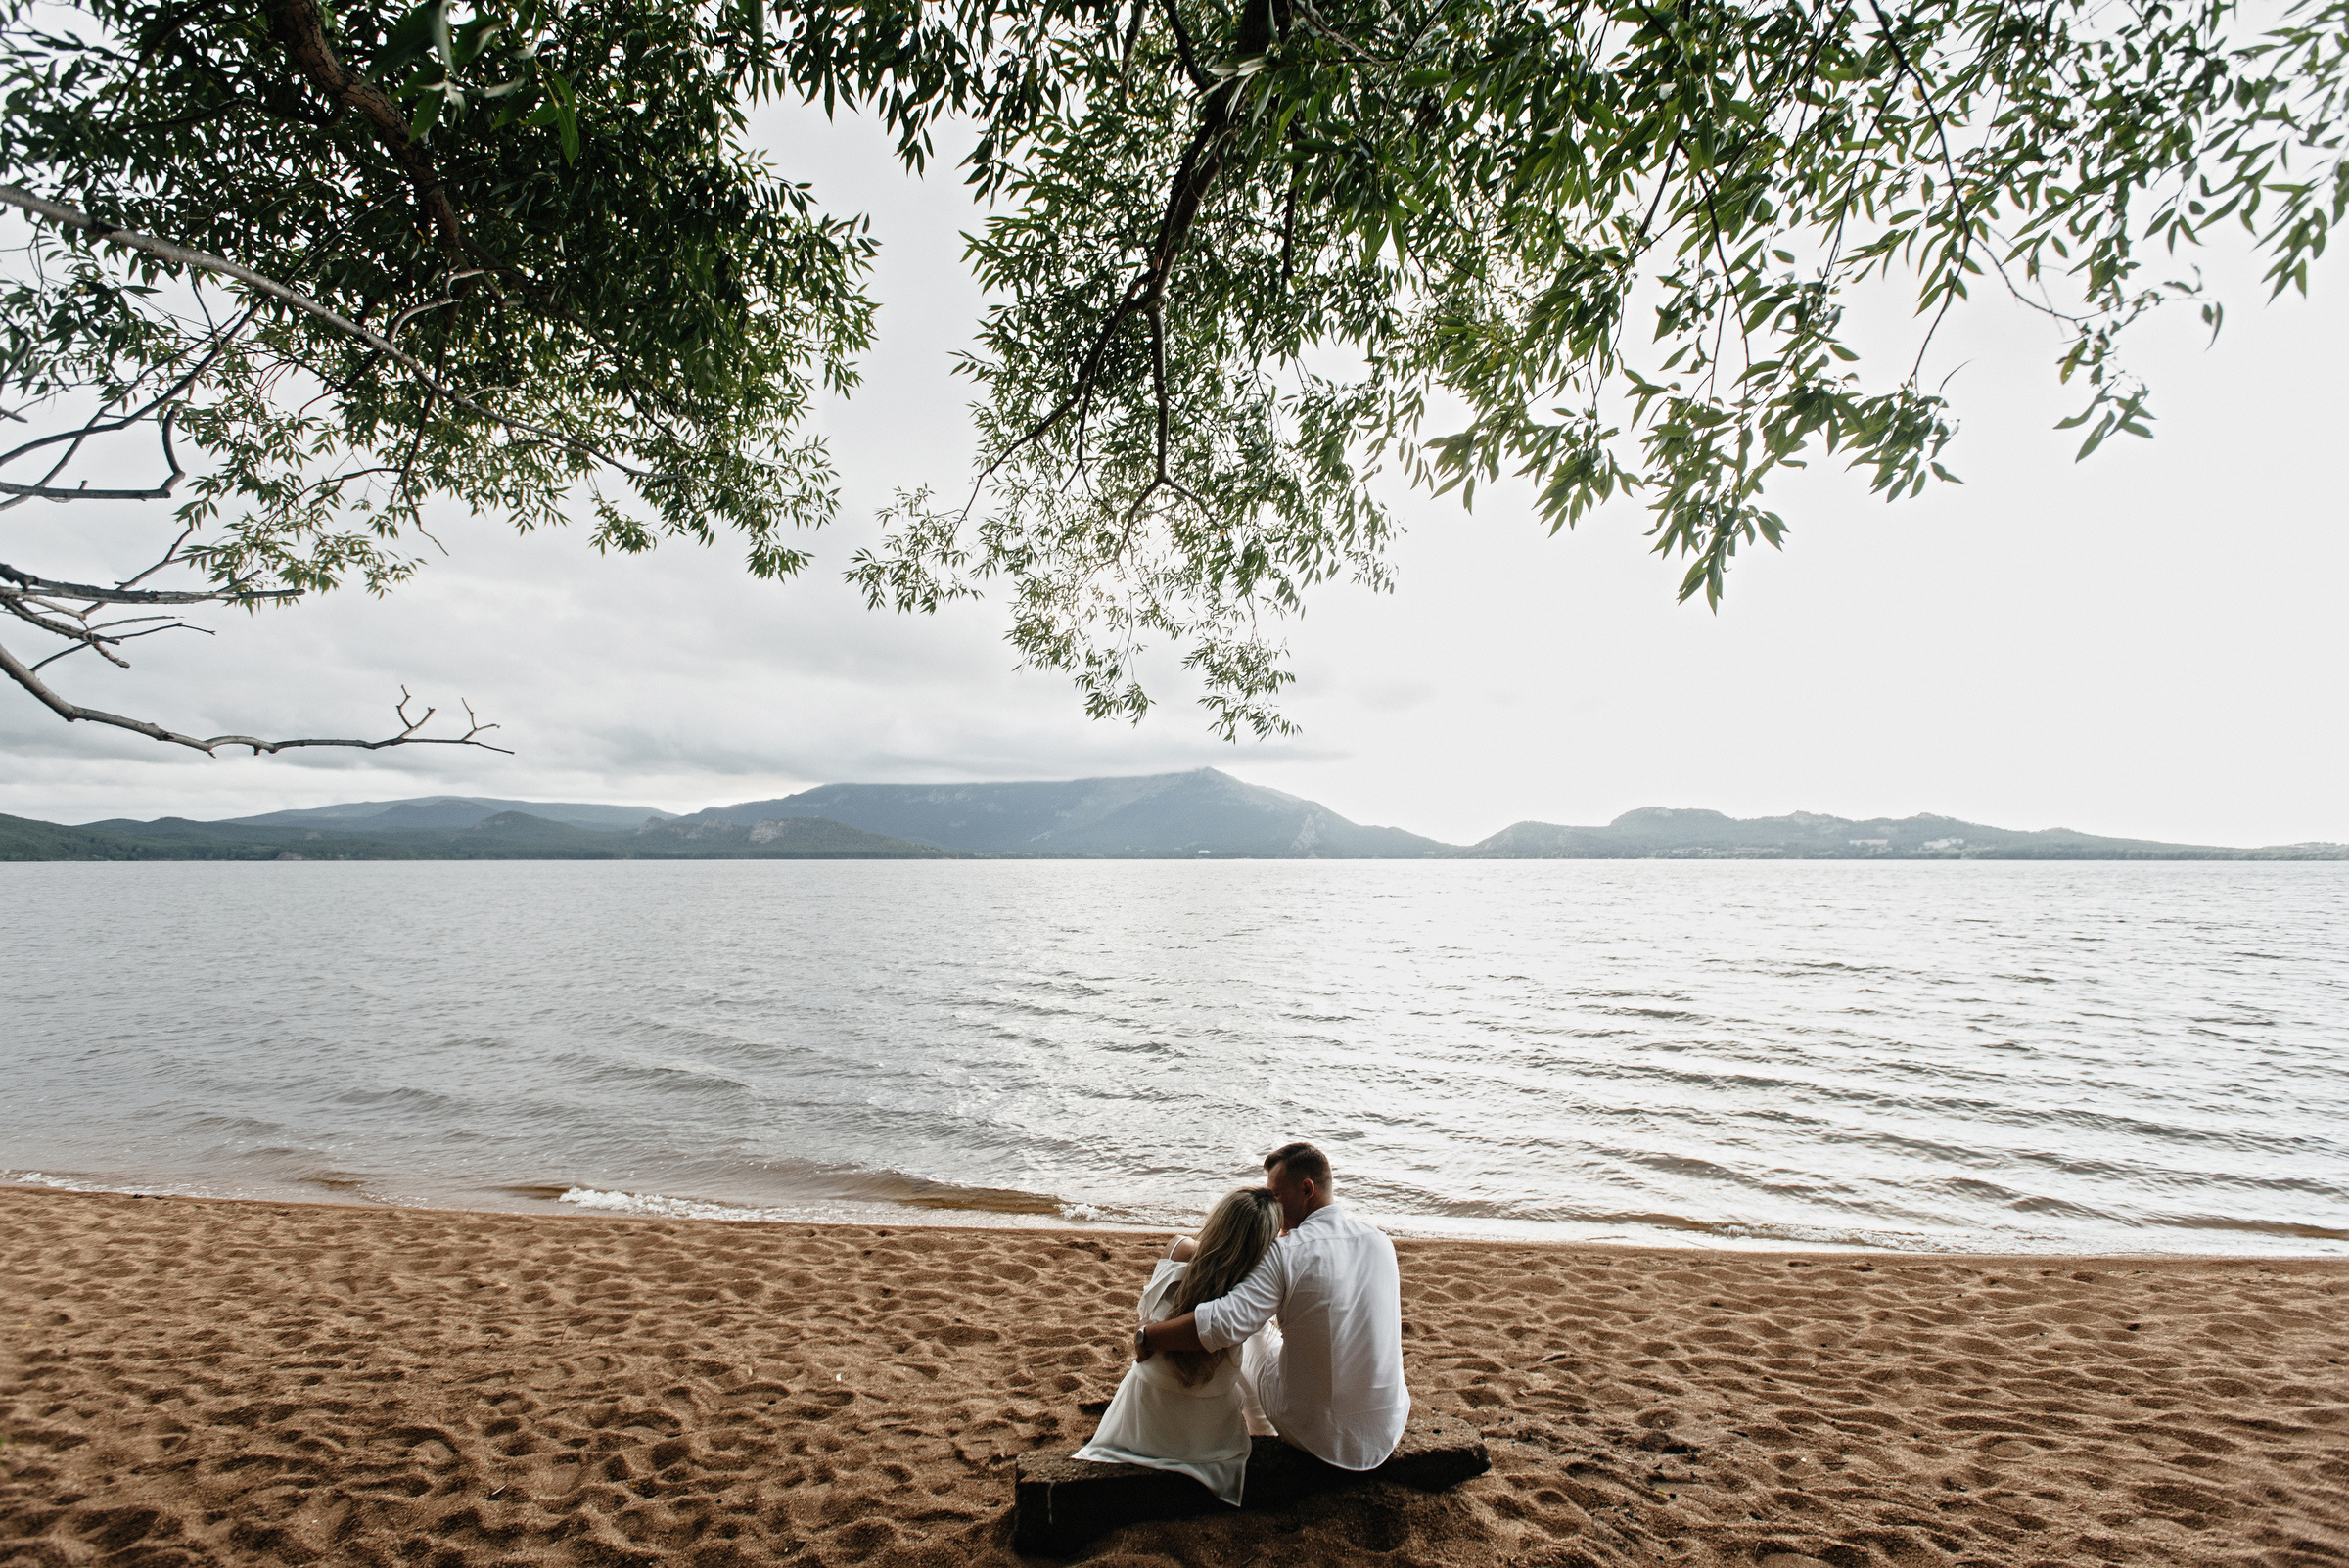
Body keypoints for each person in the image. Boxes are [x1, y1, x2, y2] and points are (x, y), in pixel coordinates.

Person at [1134, 1141, 1409, 1473]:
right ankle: (1258, 1425)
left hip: (1318, 1435)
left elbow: (1219, 1325)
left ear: (1306, 1189)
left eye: (1277, 1195)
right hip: (1386, 1425)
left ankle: (1259, 1429)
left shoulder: (1287, 1252)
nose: (1272, 1206)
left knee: (1253, 1333)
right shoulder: (1380, 1240)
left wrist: (1148, 1337)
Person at [1074, 1186, 1282, 1504]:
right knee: (1257, 1339)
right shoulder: (1254, 1288)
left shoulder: (1179, 1248)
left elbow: (1145, 1315)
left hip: (1139, 1429)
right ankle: (1265, 1434)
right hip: (1209, 1445)